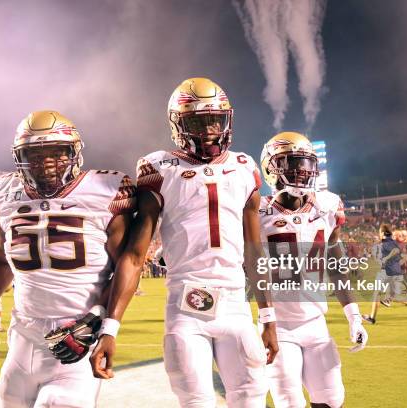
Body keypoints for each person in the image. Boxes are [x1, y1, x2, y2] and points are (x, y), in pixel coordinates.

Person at [90, 77, 278, 407]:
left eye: (214, 120)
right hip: (186, 307)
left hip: (236, 307)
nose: (207, 130)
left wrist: (268, 318)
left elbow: (253, 251)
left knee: (252, 399)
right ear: (179, 124)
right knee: (195, 401)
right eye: (197, 121)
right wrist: (110, 327)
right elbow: (135, 255)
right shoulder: (159, 167)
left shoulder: (245, 167)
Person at [0, 111, 135, 407]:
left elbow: (127, 265)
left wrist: (97, 322)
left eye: (55, 153)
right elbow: (1, 256)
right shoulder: (5, 192)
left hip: (75, 336)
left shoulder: (106, 190)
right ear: (20, 157)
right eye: (34, 154)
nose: (45, 163)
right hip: (22, 336)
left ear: (74, 153)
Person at [258, 132, 368, 407]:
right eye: (292, 164)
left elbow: (335, 265)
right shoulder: (256, 211)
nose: (302, 172)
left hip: (316, 325)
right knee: (289, 401)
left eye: (306, 164)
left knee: (332, 399)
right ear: (272, 168)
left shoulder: (328, 205)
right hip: (279, 326)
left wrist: (353, 315)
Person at [363, 224, 407, 324]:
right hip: (394, 271)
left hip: (385, 271)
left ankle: (372, 317)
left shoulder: (386, 242)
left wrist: (386, 258)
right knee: (393, 296)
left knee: (377, 294)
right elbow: (401, 254)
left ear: (382, 232)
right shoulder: (393, 241)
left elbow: (395, 252)